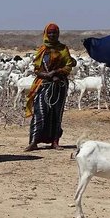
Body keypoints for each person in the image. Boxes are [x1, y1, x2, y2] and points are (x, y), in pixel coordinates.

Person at [24, 23, 77, 151]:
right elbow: (37, 69)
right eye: (50, 33)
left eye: (55, 33)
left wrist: (56, 73)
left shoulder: (63, 49)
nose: (52, 35)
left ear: (58, 34)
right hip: (43, 84)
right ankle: (34, 141)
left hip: (59, 85)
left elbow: (69, 65)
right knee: (40, 112)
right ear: (46, 34)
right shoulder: (42, 50)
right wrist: (48, 75)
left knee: (56, 113)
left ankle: (55, 141)